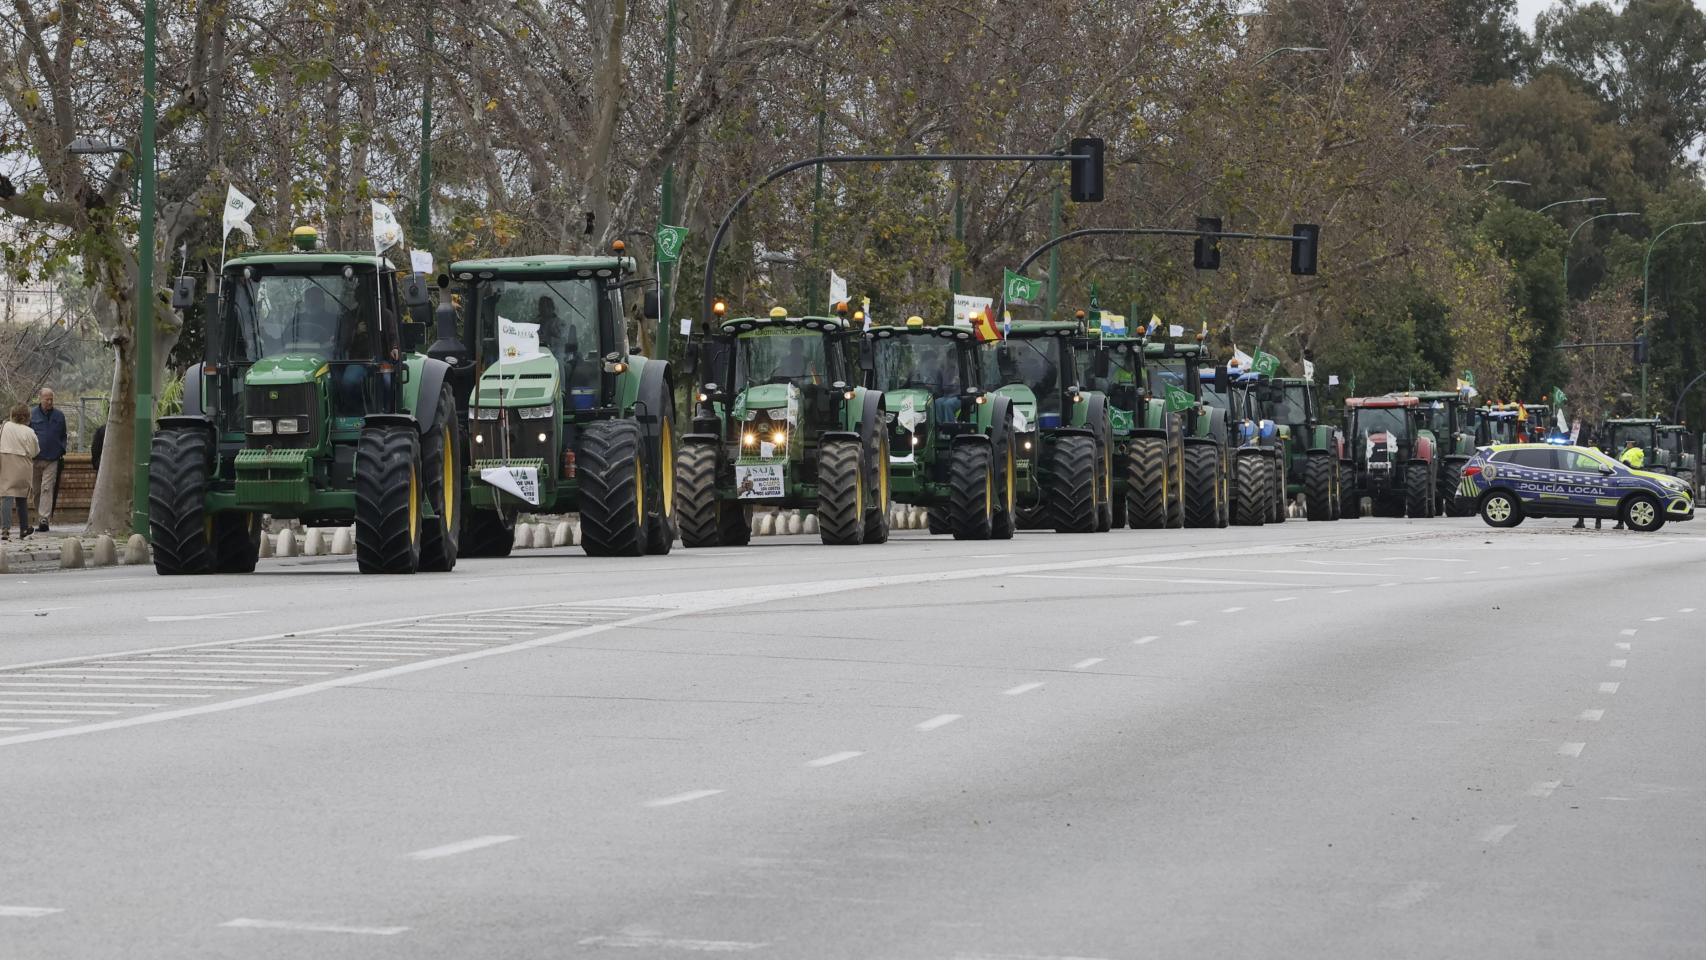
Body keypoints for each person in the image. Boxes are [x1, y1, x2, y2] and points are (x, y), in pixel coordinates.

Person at [29, 387, 66, 533]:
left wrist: (61, 449)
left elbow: (63, 435)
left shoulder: (59, 416)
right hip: (35, 459)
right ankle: (40, 517)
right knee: (36, 490)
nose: (50, 402)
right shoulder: (32, 414)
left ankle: (44, 519)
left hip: (52, 459)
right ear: (40, 398)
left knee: (47, 488)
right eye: (47, 399)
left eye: (51, 399)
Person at [1, 404, 40, 540]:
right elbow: (35, 451)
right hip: (24, 465)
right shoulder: (30, 432)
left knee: (6, 495)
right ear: (27, 417)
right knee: (22, 497)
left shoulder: (5, 426)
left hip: (6, 462)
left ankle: (5, 529)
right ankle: (23, 528)